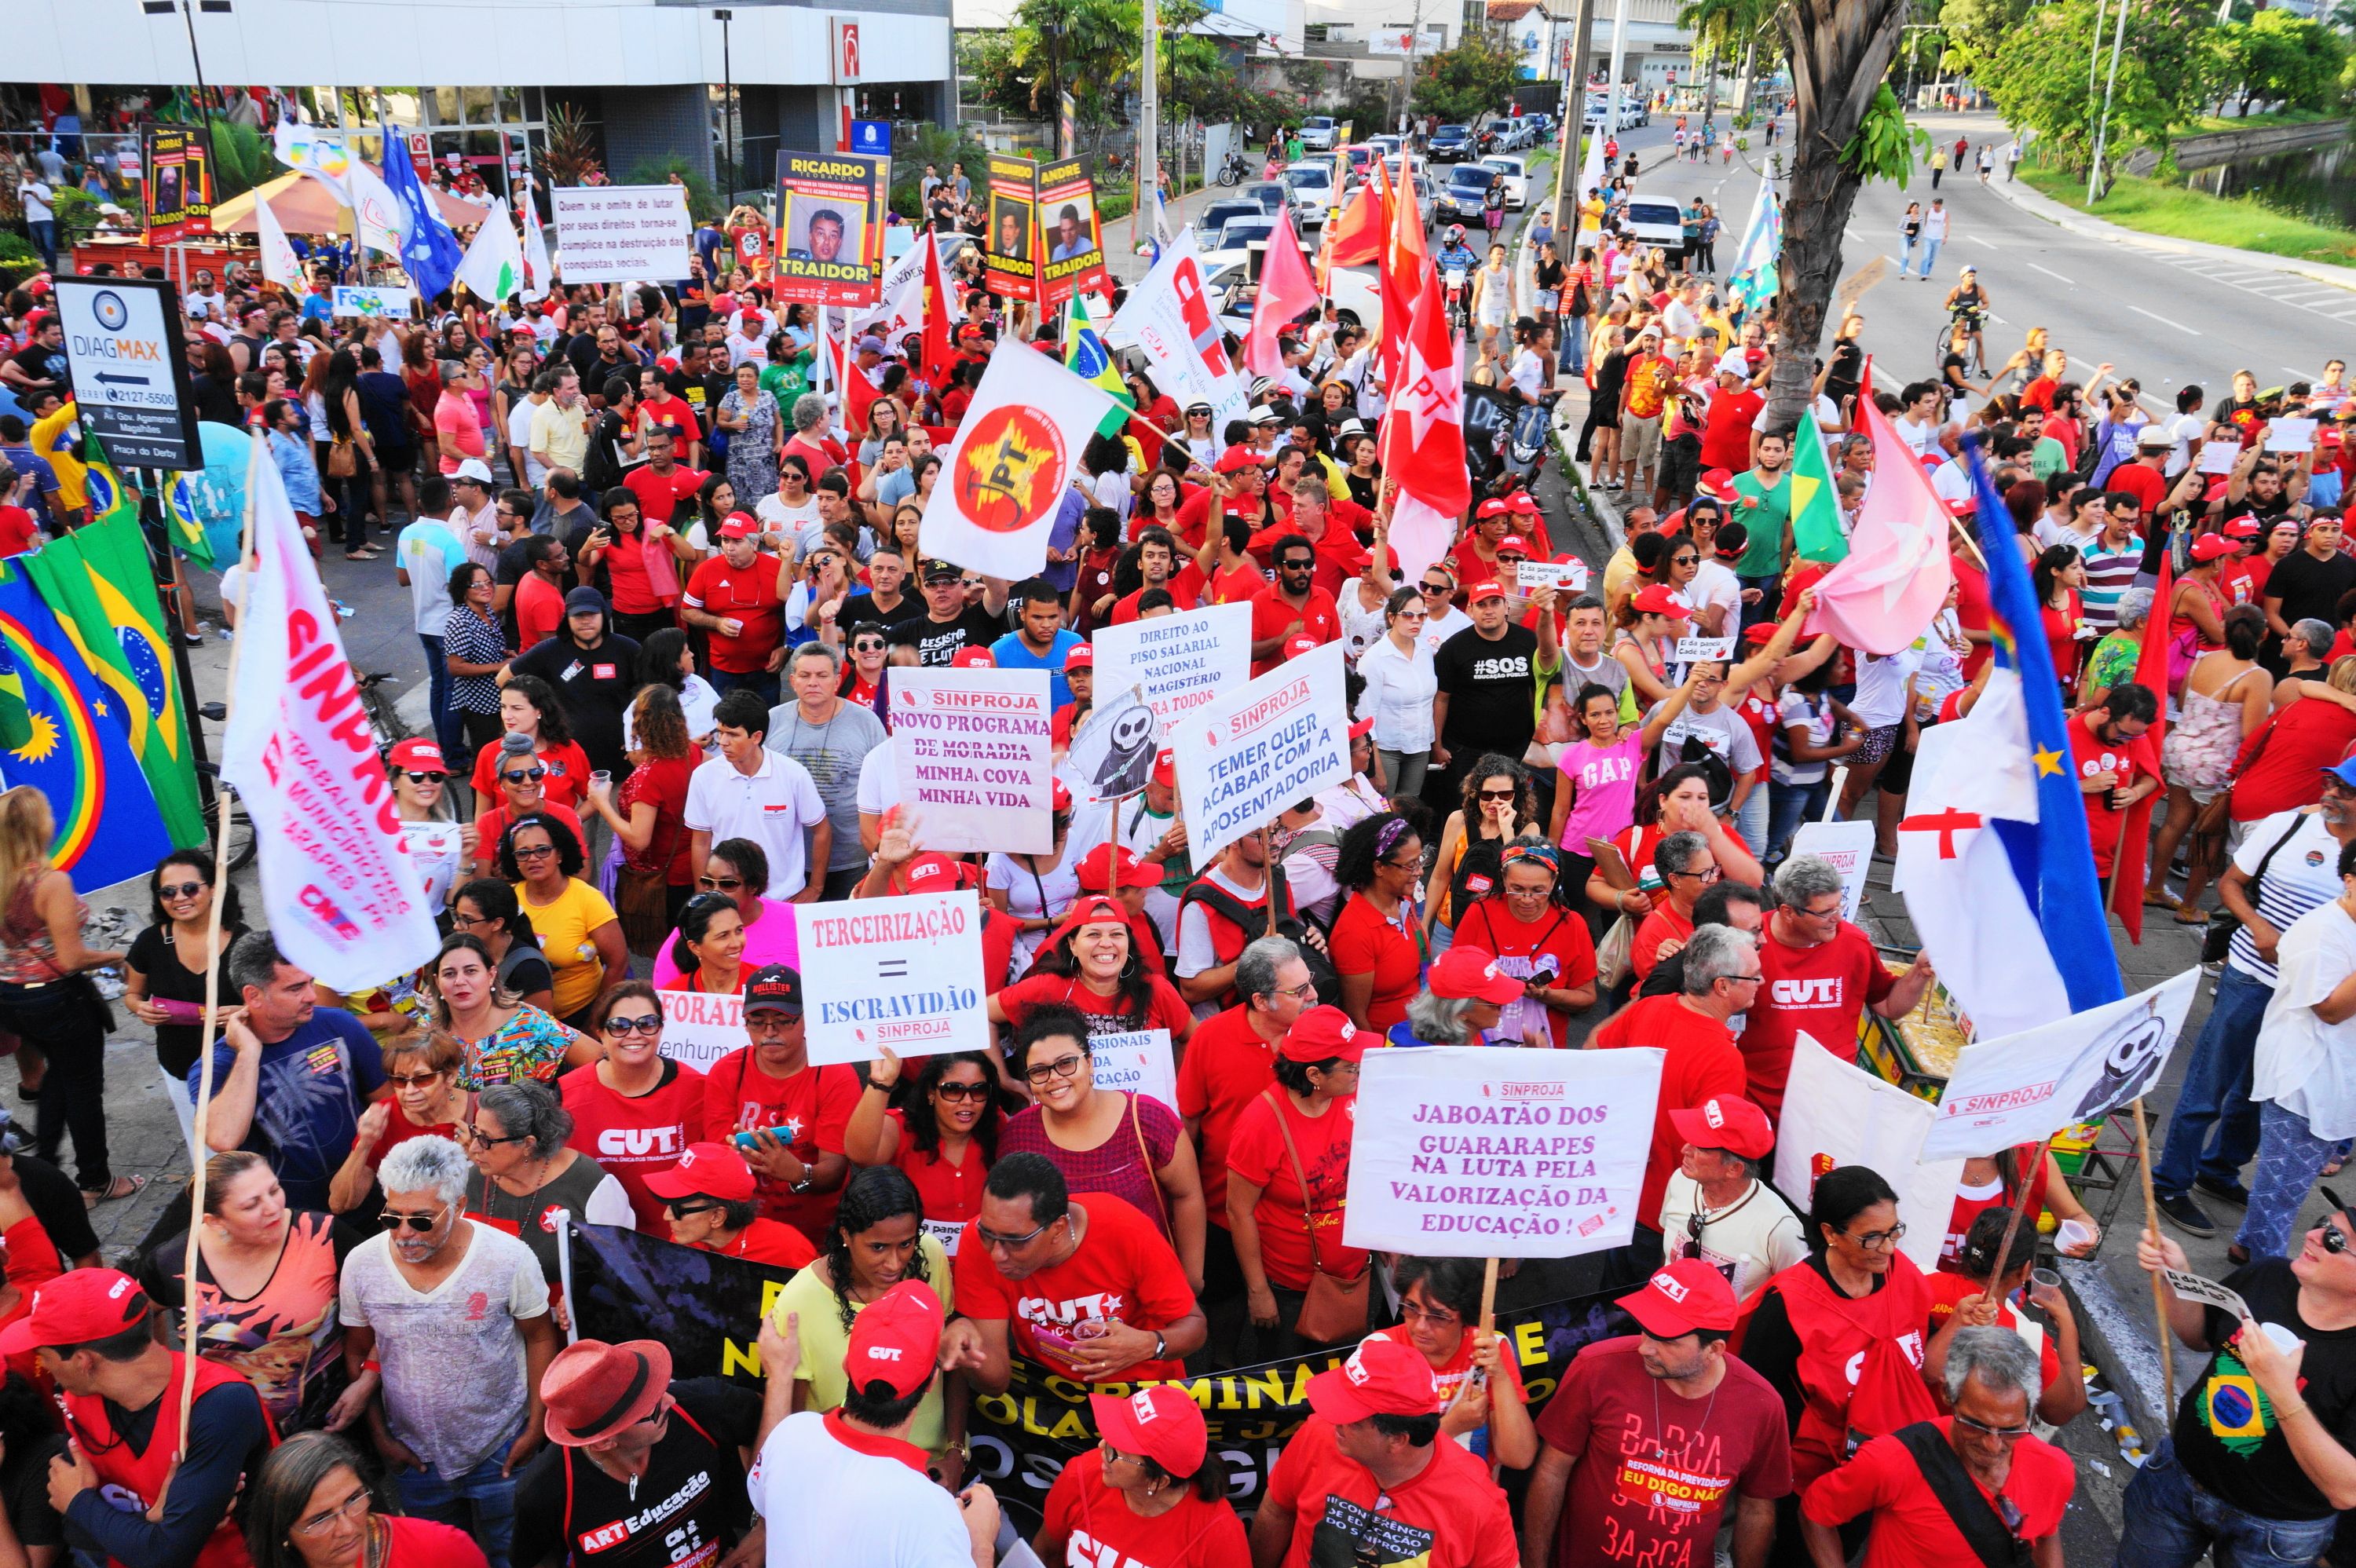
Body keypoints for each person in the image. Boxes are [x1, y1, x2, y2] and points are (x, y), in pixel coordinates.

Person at [331, 1135, 555, 1568]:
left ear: (460, 1205)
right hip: (414, 1459)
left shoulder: (509, 1258)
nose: (403, 1233)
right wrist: (381, 1437)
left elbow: (541, 1337)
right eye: (391, 1217)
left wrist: (535, 1427)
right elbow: (358, 1352)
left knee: (511, 1556)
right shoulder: (361, 1265)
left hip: (502, 1450)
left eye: (421, 1220)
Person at [2156, 763, 2356, 1239]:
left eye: (2344, 790)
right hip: (2253, 976)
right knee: (2212, 1081)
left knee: (2264, 1090)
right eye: (2330, 782)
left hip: (2308, 998)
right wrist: (2257, 925)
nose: (2329, 793)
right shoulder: (2287, 825)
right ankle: (2170, 1182)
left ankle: (2220, 1169)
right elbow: (2229, 883)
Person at [1524, 1259, 1791, 1568]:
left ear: (1715, 1349)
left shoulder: (1761, 1406)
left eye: (1666, 1340)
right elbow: (1552, 1470)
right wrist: (1535, 1563)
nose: (1645, 1348)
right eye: (1645, 1330)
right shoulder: (1596, 1368)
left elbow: (1757, 1507)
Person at [0, 1269, 272, 1568]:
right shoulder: (77, 1401)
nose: (43, 1365)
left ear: (83, 1361)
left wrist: (81, 1502)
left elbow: (164, 1555)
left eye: (42, 1353)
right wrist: (148, 1521)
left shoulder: (219, 1404)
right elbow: (78, 1534)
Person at [2125, 1218, 2356, 1568]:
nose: (2313, 1235)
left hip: (2276, 1530)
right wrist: (2175, 1277)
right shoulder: (2269, 1275)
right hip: (2178, 1480)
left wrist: (2282, 1393)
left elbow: (2345, 1489)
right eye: (2323, 1223)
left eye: (2335, 1239)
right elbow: (2199, 1335)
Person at [1740, 1166, 1940, 1566]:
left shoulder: (1905, 1275)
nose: (1888, 1248)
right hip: (1810, 1478)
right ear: (1830, 1233)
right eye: (1872, 1237)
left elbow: (1926, 1362)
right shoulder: (1789, 1305)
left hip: (1884, 1466)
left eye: (1894, 1231)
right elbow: (1757, 1397)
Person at [750, 1280, 1001, 1568]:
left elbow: (762, 1499)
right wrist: (980, 1542)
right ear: (932, 1381)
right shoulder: (928, 1509)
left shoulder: (789, 1435)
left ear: (847, 1365)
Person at [1802, 1326, 2072, 1568]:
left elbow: (2047, 1532)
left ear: (2030, 1413)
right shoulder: (1891, 1461)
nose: (1992, 1445)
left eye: (2011, 1429)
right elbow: (1815, 1513)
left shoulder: (2055, 1470)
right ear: (1947, 1395)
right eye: (1975, 1424)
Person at [1246, 1334, 1517, 1568]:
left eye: (1351, 1418)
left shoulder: (1477, 1503)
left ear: (1397, 1440)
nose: (1335, 1422)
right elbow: (1276, 1510)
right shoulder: (1320, 1433)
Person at [942, 1152, 1205, 1391]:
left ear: (1058, 1228)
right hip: (1055, 1400)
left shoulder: (1124, 1228)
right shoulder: (977, 1243)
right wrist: (966, 1348)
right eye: (987, 1233)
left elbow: (1194, 1328)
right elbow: (996, 1382)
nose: (997, 1254)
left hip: (1143, 1392)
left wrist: (1149, 1344)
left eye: (1016, 1241)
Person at [142, 1150, 359, 1437]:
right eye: (251, 1205)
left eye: (274, 1190)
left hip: (332, 1423)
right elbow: (143, 1312)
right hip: (233, 1430)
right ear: (214, 1221)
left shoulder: (324, 1236)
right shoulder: (174, 1262)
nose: (273, 1208)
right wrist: (167, 1376)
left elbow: (387, 1304)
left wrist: (367, 1380)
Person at [770, 1164, 962, 1474]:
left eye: (906, 1243)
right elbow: (796, 1422)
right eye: (878, 1247)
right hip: (847, 1472)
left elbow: (953, 1364)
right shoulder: (799, 1300)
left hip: (933, 1468)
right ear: (846, 1234)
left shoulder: (931, 1255)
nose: (895, 1262)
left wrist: (955, 1453)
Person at [998, 1007, 1205, 1281]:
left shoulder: (1148, 1120)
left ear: (1090, 1063)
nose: (1055, 1078)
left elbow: (1187, 1195)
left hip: (1146, 1286)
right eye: (1039, 1071)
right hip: (1060, 1299)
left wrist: (1191, 1280)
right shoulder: (1018, 1136)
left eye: (1066, 1063)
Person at [0, 787, 134, 1203]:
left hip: (11, 996)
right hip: (57, 998)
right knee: (83, 1088)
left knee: (57, 1077)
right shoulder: (50, 881)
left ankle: (42, 1172)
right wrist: (118, 955)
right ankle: (95, 1181)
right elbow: (72, 957)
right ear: (39, 825)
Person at [199, 934, 387, 1214]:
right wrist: (249, 1052)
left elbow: (386, 1100)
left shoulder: (339, 1025)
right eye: (295, 988)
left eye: (311, 982)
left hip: (372, 1195)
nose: (311, 995)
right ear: (253, 996)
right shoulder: (220, 1063)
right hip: (290, 1217)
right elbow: (223, 1139)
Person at [1741, 855, 1935, 1122]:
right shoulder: (1746, 941)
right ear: (1788, 912)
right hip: (1757, 1104)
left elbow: (1889, 1005)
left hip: (1828, 1106)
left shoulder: (1853, 943)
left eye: (1838, 907)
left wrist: (1918, 974)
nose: (1837, 918)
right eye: (1824, 912)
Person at [1226, 1005, 1367, 1358]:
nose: (1358, 1072)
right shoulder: (1261, 1122)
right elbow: (1238, 1211)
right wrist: (1259, 1292)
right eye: (1351, 1066)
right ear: (1315, 1074)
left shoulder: (1356, 1095)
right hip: (1289, 1290)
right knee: (1287, 1388)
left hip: (1353, 1279)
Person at [702, 964, 857, 1244]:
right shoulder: (726, 1072)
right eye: (757, 1021)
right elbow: (715, 1164)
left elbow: (834, 1171)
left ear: (806, 1019)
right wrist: (735, 1158)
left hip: (819, 1236)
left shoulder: (836, 1074)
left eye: (783, 1020)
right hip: (743, 1232)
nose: (769, 1031)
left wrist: (796, 1172)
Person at [1035, 1382, 1245, 1568]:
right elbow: (1046, 1553)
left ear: (1158, 1481)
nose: (1101, 1448)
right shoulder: (1083, 1473)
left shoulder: (1219, 1536)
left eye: (1116, 1451)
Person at [124, 849, 248, 1151]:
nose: (179, 898)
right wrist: (139, 1008)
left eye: (190, 888)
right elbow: (132, 993)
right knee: (205, 1150)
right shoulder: (150, 942)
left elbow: (271, 1002)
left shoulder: (244, 941)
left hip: (238, 1068)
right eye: (168, 892)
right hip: (180, 1067)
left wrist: (244, 1011)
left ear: (214, 888)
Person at [558, 985, 708, 1231]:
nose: (634, 1034)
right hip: (599, 1241)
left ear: (660, 1028)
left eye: (647, 1023)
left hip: (679, 1240)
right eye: (619, 1026)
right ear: (600, 1033)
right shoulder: (568, 1093)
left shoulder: (697, 1088)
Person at [1923, 1208, 2087, 1432]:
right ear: (2026, 1271)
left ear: (1968, 1238)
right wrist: (2067, 1322)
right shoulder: (2026, 1338)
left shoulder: (1918, 1280)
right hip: (1962, 1444)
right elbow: (2063, 1410)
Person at [1365, 1255, 1537, 1465]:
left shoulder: (1489, 1349)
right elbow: (1375, 1459)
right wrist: (1452, 1426)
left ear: (1466, 1314)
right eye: (1411, 1307)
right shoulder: (1378, 1349)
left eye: (1438, 1316)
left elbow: (1519, 1458)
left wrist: (1499, 1375)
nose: (1420, 1326)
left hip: (1474, 1489)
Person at [461, 1079, 635, 1282]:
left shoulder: (590, 1184)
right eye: (475, 1133)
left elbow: (623, 1271)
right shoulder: (473, 1178)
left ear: (527, 1144)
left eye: (486, 1139)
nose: (473, 1148)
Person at [244, 1430, 488, 1568]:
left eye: (353, 1500)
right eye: (320, 1519)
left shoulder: (441, 1551)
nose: (348, 1529)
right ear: (283, 1532)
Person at [1654, 1092, 1805, 1309]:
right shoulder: (1680, 1180)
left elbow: (1795, 1296)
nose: (1685, 1150)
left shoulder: (1779, 1228)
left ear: (1734, 1169)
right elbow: (1666, 1253)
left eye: (1701, 1147)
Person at [769, 644, 889, 900]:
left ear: (836, 681)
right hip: (787, 861)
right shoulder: (771, 722)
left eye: (822, 676)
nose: (813, 683)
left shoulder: (866, 723)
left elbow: (884, 790)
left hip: (850, 859)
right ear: (792, 680)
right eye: (805, 675)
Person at [687, 691, 830, 903]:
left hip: (784, 899)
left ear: (757, 737)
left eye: (733, 734)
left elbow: (822, 830)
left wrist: (815, 888)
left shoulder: (793, 774)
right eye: (720, 733)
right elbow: (701, 842)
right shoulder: (703, 776)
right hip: (725, 902)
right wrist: (705, 895)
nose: (723, 742)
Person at [587, 685, 699, 948]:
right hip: (692, 866)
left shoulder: (648, 778)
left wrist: (602, 804)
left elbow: (639, 839)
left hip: (661, 880)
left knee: (670, 949)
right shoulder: (693, 754)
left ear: (640, 726)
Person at [499, 813, 624, 1032]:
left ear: (559, 855)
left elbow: (618, 963)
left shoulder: (588, 899)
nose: (533, 858)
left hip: (581, 1016)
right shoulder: (506, 900)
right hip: (518, 1021)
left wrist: (595, 1023)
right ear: (514, 861)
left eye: (543, 850)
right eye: (523, 853)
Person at [1329, 813, 1425, 1033]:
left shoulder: (1406, 902)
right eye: (1410, 865)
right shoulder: (1354, 933)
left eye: (1420, 861)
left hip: (1421, 1036)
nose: (1420, 871)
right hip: (1390, 1050)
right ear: (1379, 868)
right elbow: (1356, 1017)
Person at [449, 881, 558, 1012]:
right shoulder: (460, 953)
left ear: (497, 924)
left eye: (468, 920)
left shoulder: (530, 969)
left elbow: (541, 1028)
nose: (457, 926)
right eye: (457, 917)